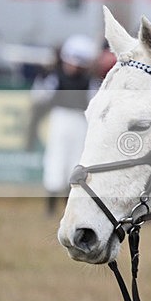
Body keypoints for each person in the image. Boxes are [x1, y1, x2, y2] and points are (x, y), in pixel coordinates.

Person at [29, 34, 98, 215]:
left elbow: (94, 102)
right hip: (59, 120)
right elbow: (39, 97)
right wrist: (42, 78)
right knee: (55, 162)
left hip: (80, 122)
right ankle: (50, 208)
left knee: (75, 164)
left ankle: (70, 208)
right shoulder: (54, 77)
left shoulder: (89, 81)